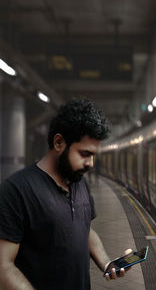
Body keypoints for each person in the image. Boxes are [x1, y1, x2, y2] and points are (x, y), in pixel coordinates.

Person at [0, 98, 131, 290]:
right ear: (59, 142)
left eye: (93, 156)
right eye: (85, 154)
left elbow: (85, 230)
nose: (91, 164)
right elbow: (4, 266)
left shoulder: (80, 183)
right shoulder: (16, 190)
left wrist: (107, 263)